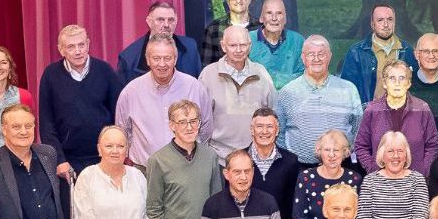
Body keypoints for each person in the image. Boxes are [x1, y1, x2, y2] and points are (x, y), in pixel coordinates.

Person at [145, 100, 223, 219]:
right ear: (172, 125)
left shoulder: (210, 157)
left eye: (193, 121)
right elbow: (154, 207)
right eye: (182, 122)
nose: (189, 127)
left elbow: (216, 202)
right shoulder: (158, 161)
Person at [116, 37, 213, 168]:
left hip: (187, 168)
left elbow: (206, 128)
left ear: (175, 59)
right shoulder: (130, 92)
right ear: (147, 60)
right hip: (145, 170)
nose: (162, 64)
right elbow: (122, 132)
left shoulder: (194, 87)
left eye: (167, 58)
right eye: (156, 58)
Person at [39, 25, 124, 173]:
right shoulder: (50, 75)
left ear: (88, 44)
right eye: (71, 47)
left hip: (104, 158)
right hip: (68, 162)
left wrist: (114, 153)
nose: (78, 51)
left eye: (81, 45)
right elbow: (47, 124)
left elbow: (118, 116)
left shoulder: (105, 71)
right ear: (61, 50)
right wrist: (59, 160)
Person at [274, 35, 364, 163]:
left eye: (321, 54)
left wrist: (344, 152)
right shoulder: (288, 92)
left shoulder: (348, 89)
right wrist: (291, 159)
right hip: (300, 167)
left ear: (330, 56)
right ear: (303, 58)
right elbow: (279, 132)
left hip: (341, 167)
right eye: (311, 54)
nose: (316, 59)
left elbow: (358, 128)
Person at [199, 26, 276, 158]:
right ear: (223, 46)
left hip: (255, 156)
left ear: (249, 46)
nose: (239, 50)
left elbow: (273, 112)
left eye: (243, 45)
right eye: (233, 45)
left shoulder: (261, 73)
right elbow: (200, 118)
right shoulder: (208, 75)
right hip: (218, 157)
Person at [355, 60, 438, 174]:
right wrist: (373, 169)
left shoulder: (422, 108)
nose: (397, 83)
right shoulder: (372, 110)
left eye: (402, 78)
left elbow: (432, 145)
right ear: (384, 83)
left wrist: (423, 170)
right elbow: (361, 145)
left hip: (414, 180)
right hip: (381, 180)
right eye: (392, 78)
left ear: (409, 83)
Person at [246, 108, 303, 219]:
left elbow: (292, 204)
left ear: (277, 130)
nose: (264, 131)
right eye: (259, 126)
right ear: (251, 130)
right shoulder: (240, 160)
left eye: (269, 126)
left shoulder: (291, 161)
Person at [294, 130, 365, 219]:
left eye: (336, 150)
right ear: (319, 152)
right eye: (327, 150)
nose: (332, 155)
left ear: (344, 152)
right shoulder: (305, 177)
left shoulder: (355, 179)